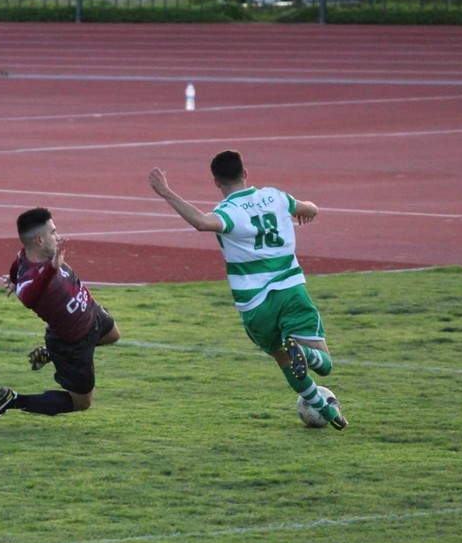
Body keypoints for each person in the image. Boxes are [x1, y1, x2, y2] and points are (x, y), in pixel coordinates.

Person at [147, 150, 347, 430]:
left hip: (254, 305)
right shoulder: (276, 197)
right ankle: (308, 355)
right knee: (324, 364)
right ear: (246, 173)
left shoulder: (229, 212)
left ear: (216, 182)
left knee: (282, 357)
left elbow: (202, 222)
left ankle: (324, 410)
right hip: (290, 290)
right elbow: (310, 208)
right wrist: (307, 211)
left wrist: (166, 192)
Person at [0, 207, 120, 421]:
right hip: (73, 343)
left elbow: (17, 264)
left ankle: (50, 355)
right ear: (40, 240)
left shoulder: (25, 257)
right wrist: (51, 267)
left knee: (114, 335)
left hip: (91, 312)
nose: (58, 237)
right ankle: (13, 400)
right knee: (82, 402)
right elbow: (33, 290)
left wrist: (13, 280)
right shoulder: (30, 286)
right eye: (53, 232)